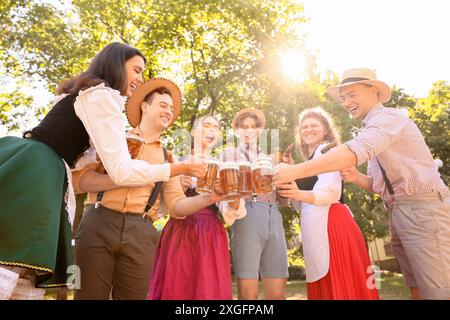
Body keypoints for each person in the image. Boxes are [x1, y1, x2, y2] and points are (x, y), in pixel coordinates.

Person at [0, 42, 205, 299]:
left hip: (34, 164)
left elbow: (86, 158)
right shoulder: (103, 96)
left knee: (21, 266)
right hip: (40, 170)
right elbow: (119, 171)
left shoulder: (87, 94)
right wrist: (180, 168)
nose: (140, 79)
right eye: (136, 70)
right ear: (117, 66)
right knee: (13, 262)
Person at [275, 68, 450, 300]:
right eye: (343, 98)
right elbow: (379, 187)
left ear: (373, 91)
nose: (347, 102)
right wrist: (357, 178)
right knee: (417, 287)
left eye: (352, 94)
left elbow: (354, 151)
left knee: (437, 291)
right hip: (399, 210)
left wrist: (295, 170)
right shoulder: (369, 129)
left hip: (423, 208)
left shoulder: (388, 119)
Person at [72, 80, 224, 300]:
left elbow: (177, 208)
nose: (168, 112)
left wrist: (211, 197)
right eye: (163, 105)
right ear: (144, 106)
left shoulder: (168, 158)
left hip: (141, 230)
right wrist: (125, 177)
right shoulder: (113, 140)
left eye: (171, 109)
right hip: (98, 221)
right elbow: (78, 181)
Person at [278, 107, 379, 300]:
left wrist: (298, 191)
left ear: (325, 130)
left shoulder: (329, 151)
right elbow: (301, 204)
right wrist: (293, 174)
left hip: (333, 224)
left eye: (313, 125)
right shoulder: (311, 160)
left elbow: (331, 193)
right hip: (318, 227)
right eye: (304, 127)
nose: (308, 129)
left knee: (341, 286)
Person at [148, 115, 246, 300]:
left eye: (216, 127)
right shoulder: (176, 161)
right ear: (193, 132)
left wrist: (236, 194)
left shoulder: (224, 168)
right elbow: (159, 207)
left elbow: (230, 211)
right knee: (177, 286)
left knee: (208, 290)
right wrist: (181, 187)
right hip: (179, 230)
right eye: (206, 125)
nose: (211, 130)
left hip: (210, 233)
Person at [219, 108, 289, 300]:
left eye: (253, 127)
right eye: (244, 127)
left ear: (260, 130)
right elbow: (223, 193)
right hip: (247, 214)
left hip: (274, 215)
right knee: (248, 292)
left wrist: (287, 175)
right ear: (236, 131)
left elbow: (283, 199)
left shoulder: (269, 159)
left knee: (278, 292)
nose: (249, 131)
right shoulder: (229, 154)